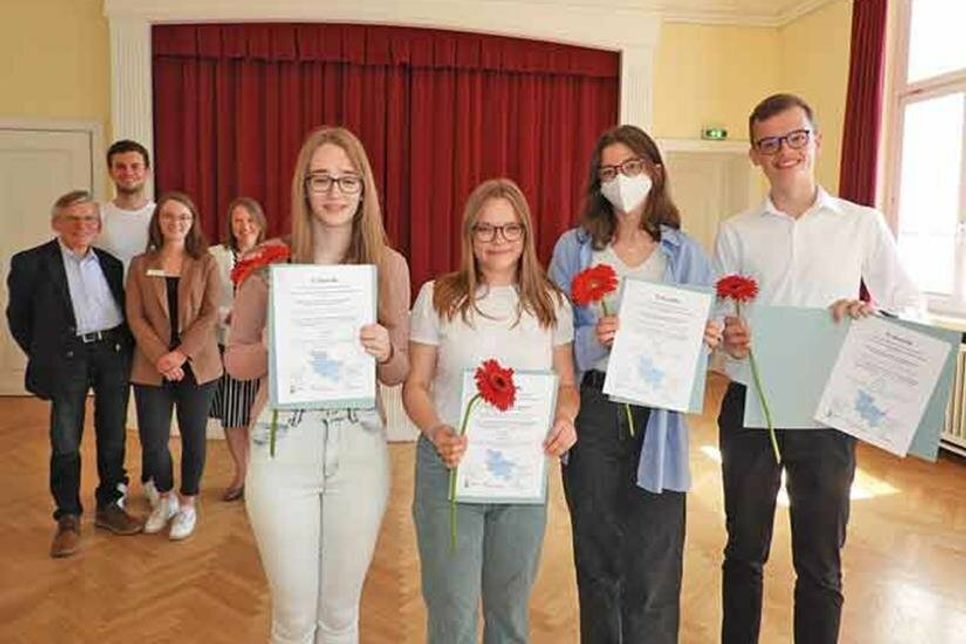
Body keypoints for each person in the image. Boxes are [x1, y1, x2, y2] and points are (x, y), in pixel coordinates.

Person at [713, 93, 922, 644]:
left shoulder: (862, 224)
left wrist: (870, 314)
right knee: (743, 552)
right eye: (770, 143)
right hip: (750, 406)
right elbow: (714, 318)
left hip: (829, 412)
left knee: (821, 562)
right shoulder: (736, 231)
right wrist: (726, 338)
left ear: (817, 140)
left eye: (796, 137)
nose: (785, 151)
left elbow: (910, 306)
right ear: (755, 155)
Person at [225, 126, 411, 643]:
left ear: (364, 188)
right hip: (283, 445)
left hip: (358, 447)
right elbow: (236, 362)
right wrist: (273, 345)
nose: (335, 193)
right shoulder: (269, 263)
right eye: (322, 179)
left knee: (339, 616)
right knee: (291, 617)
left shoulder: (389, 265)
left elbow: (398, 375)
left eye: (348, 180)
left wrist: (385, 350)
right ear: (303, 187)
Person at [548, 124, 722, 644]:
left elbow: (698, 335)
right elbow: (552, 336)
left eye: (631, 168)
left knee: (656, 558)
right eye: (608, 171)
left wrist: (705, 337)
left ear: (655, 172)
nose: (620, 179)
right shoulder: (573, 249)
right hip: (595, 409)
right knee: (597, 555)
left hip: (659, 416)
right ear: (596, 183)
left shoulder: (685, 253)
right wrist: (592, 340)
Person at [403, 178, 579, 643]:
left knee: (509, 611)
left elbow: (566, 384)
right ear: (469, 235)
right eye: (485, 229)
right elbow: (416, 385)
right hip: (449, 468)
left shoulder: (550, 303)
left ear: (526, 233)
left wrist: (566, 420)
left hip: (521, 475)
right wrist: (437, 430)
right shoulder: (437, 296)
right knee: (453, 611)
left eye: (510, 229)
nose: (498, 240)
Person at [6, 190, 142, 558]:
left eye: (89, 219)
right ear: (56, 224)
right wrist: (44, 354)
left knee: (113, 434)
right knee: (66, 438)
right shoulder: (31, 263)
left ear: (98, 226)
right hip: (67, 357)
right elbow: (18, 319)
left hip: (112, 352)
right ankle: (68, 517)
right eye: (74, 218)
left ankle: (110, 506)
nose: (82, 226)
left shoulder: (112, 264)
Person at [126, 192, 222, 541]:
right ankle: (165, 497)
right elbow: (134, 317)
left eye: (184, 217)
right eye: (169, 217)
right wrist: (162, 358)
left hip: (197, 364)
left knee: (194, 437)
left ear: (192, 221)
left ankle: (187, 504)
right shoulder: (140, 264)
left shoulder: (206, 262)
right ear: (158, 221)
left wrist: (180, 355)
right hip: (152, 366)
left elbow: (210, 313)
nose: (176, 223)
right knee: (153, 440)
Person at [98, 139, 159, 508]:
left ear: (147, 170)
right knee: (111, 413)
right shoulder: (99, 217)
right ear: (111, 172)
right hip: (112, 329)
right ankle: (113, 486)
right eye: (121, 166)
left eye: (135, 166)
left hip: (154, 328)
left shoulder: (160, 216)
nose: (128, 173)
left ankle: (155, 477)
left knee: (153, 413)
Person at [209, 197, 266, 501]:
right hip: (229, 345)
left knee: (262, 416)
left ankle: (262, 478)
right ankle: (242, 474)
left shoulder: (275, 257)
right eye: (238, 221)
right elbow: (203, 302)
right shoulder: (214, 257)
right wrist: (224, 315)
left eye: (250, 221)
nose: (244, 227)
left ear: (260, 223)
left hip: (265, 350)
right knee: (233, 416)